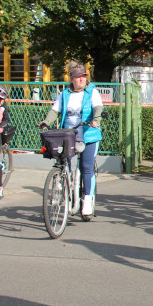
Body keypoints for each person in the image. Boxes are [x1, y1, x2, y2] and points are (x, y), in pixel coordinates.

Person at [38, 65, 104, 216]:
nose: (82, 79)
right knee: (63, 163)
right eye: (78, 77)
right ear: (72, 79)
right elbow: (55, 110)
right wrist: (46, 122)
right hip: (68, 134)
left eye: (84, 76)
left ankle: (87, 200)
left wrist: (96, 120)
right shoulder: (64, 94)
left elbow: (98, 107)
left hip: (88, 133)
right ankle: (63, 189)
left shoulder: (92, 92)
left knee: (86, 166)